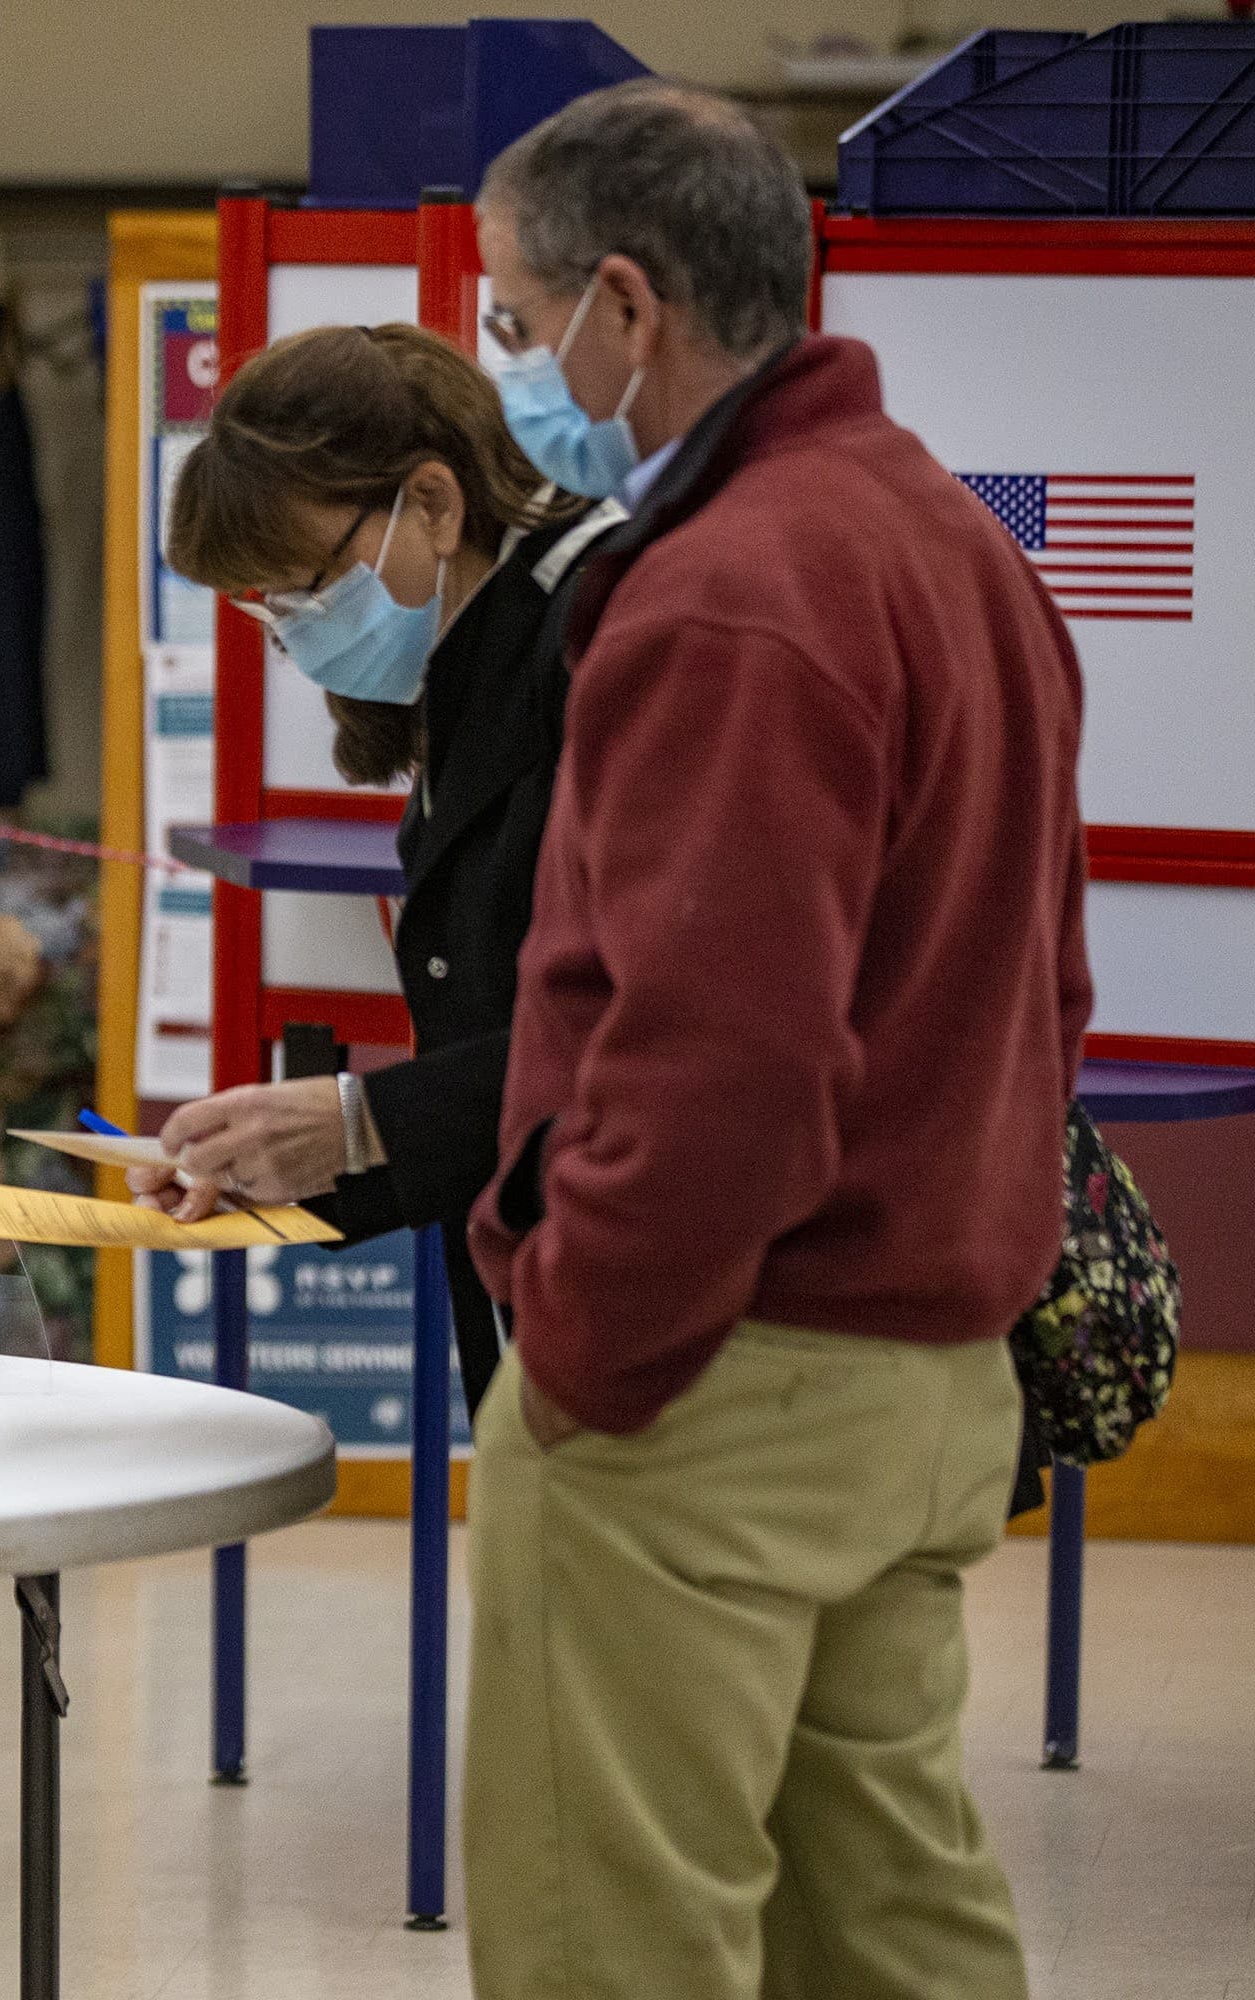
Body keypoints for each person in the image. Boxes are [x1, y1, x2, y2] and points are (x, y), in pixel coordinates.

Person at [460, 82, 1088, 1998]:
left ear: (626, 312)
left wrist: (582, 1343)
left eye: (513, 314)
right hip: (923, 1376)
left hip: (711, 1393)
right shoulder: (952, 547)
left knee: (617, 1945)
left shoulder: (731, 598)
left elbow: (720, 1059)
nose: (506, 362)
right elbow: (1044, 989)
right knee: (891, 1930)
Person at [125, 323, 621, 1419]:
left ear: (435, 505)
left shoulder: (598, 645)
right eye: (268, 608)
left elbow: (640, 1031)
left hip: (671, 1319)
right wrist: (287, 1162)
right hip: (547, 1305)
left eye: (304, 585)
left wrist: (357, 1121)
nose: (295, 632)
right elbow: (499, 1059)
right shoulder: (461, 695)